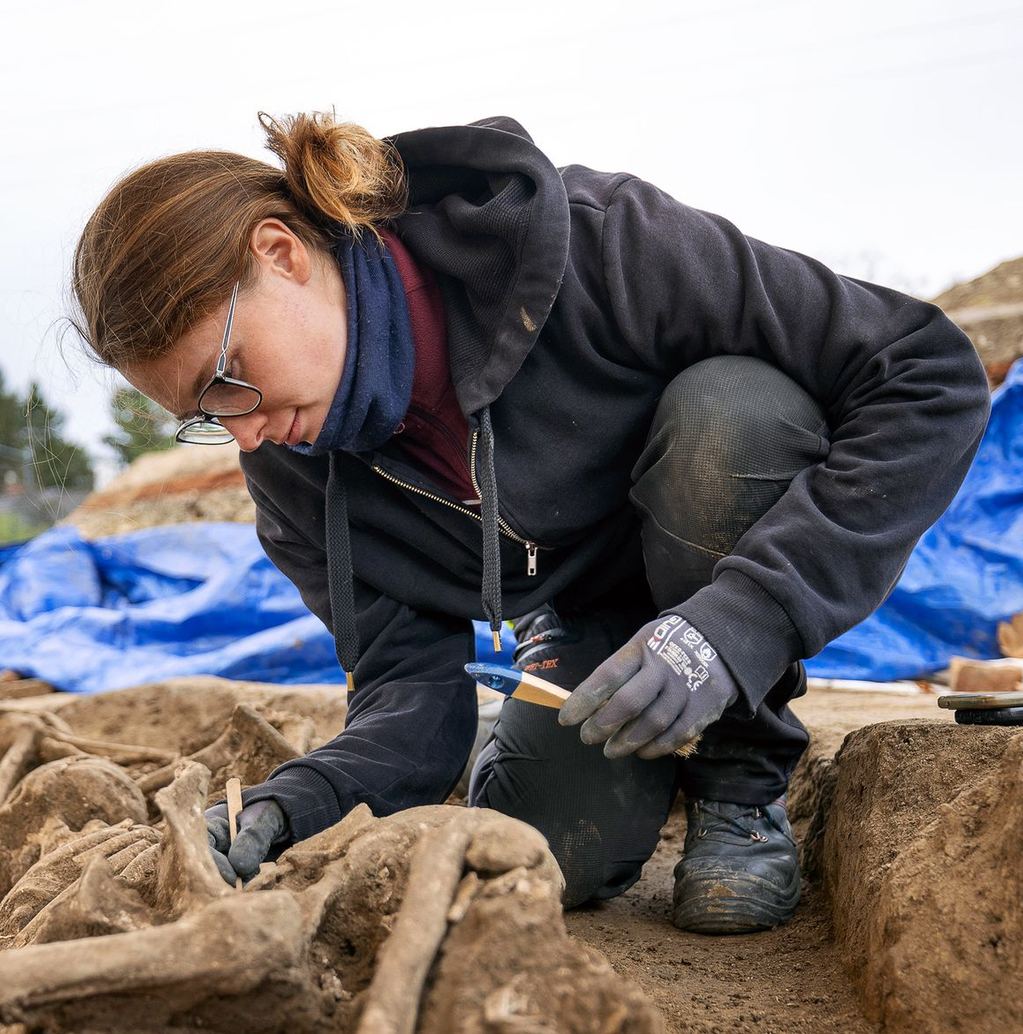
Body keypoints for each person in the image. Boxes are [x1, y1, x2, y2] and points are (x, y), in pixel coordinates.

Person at [71, 112, 989, 932]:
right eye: (203, 412)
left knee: (731, 415)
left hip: (718, 555)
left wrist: (737, 626)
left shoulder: (601, 246)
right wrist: (294, 806)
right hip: (586, 627)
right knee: (556, 853)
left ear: (281, 253)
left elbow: (924, 372)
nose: (241, 427)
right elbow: (407, 690)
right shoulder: (290, 466)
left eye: (227, 375)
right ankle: (536, 735)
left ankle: (738, 786)